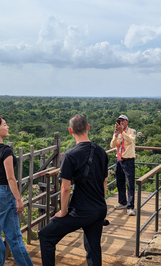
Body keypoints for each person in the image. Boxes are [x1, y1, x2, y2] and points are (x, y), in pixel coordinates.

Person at [39, 114, 109, 266]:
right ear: (88, 127)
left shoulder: (70, 155)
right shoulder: (102, 152)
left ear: (70, 131)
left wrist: (63, 211)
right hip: (99, 208)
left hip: (81, 211)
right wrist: (100, 204)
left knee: (45, 235)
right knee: (93, 248)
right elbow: (104, 181)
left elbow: (65, 188)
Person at [0, 115, 33, 266]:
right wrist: (18, 199)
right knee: (14, 238)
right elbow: (11, 179)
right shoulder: (6, 151)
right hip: (4, 194)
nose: (8, 127)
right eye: (5, 125)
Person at [110, 114, 137, 216]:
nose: (121, 122)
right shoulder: (118, 132)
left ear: (127, 122)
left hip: (128, 160)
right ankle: (122, 202)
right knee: (120, 182)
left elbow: (130, 141)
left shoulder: (132, 131)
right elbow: (112, 145)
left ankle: (130, 207)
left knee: (130, 184)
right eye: (119, 121)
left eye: (123, 120)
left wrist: (122, 132)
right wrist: (116, 135)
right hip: (119, 159)